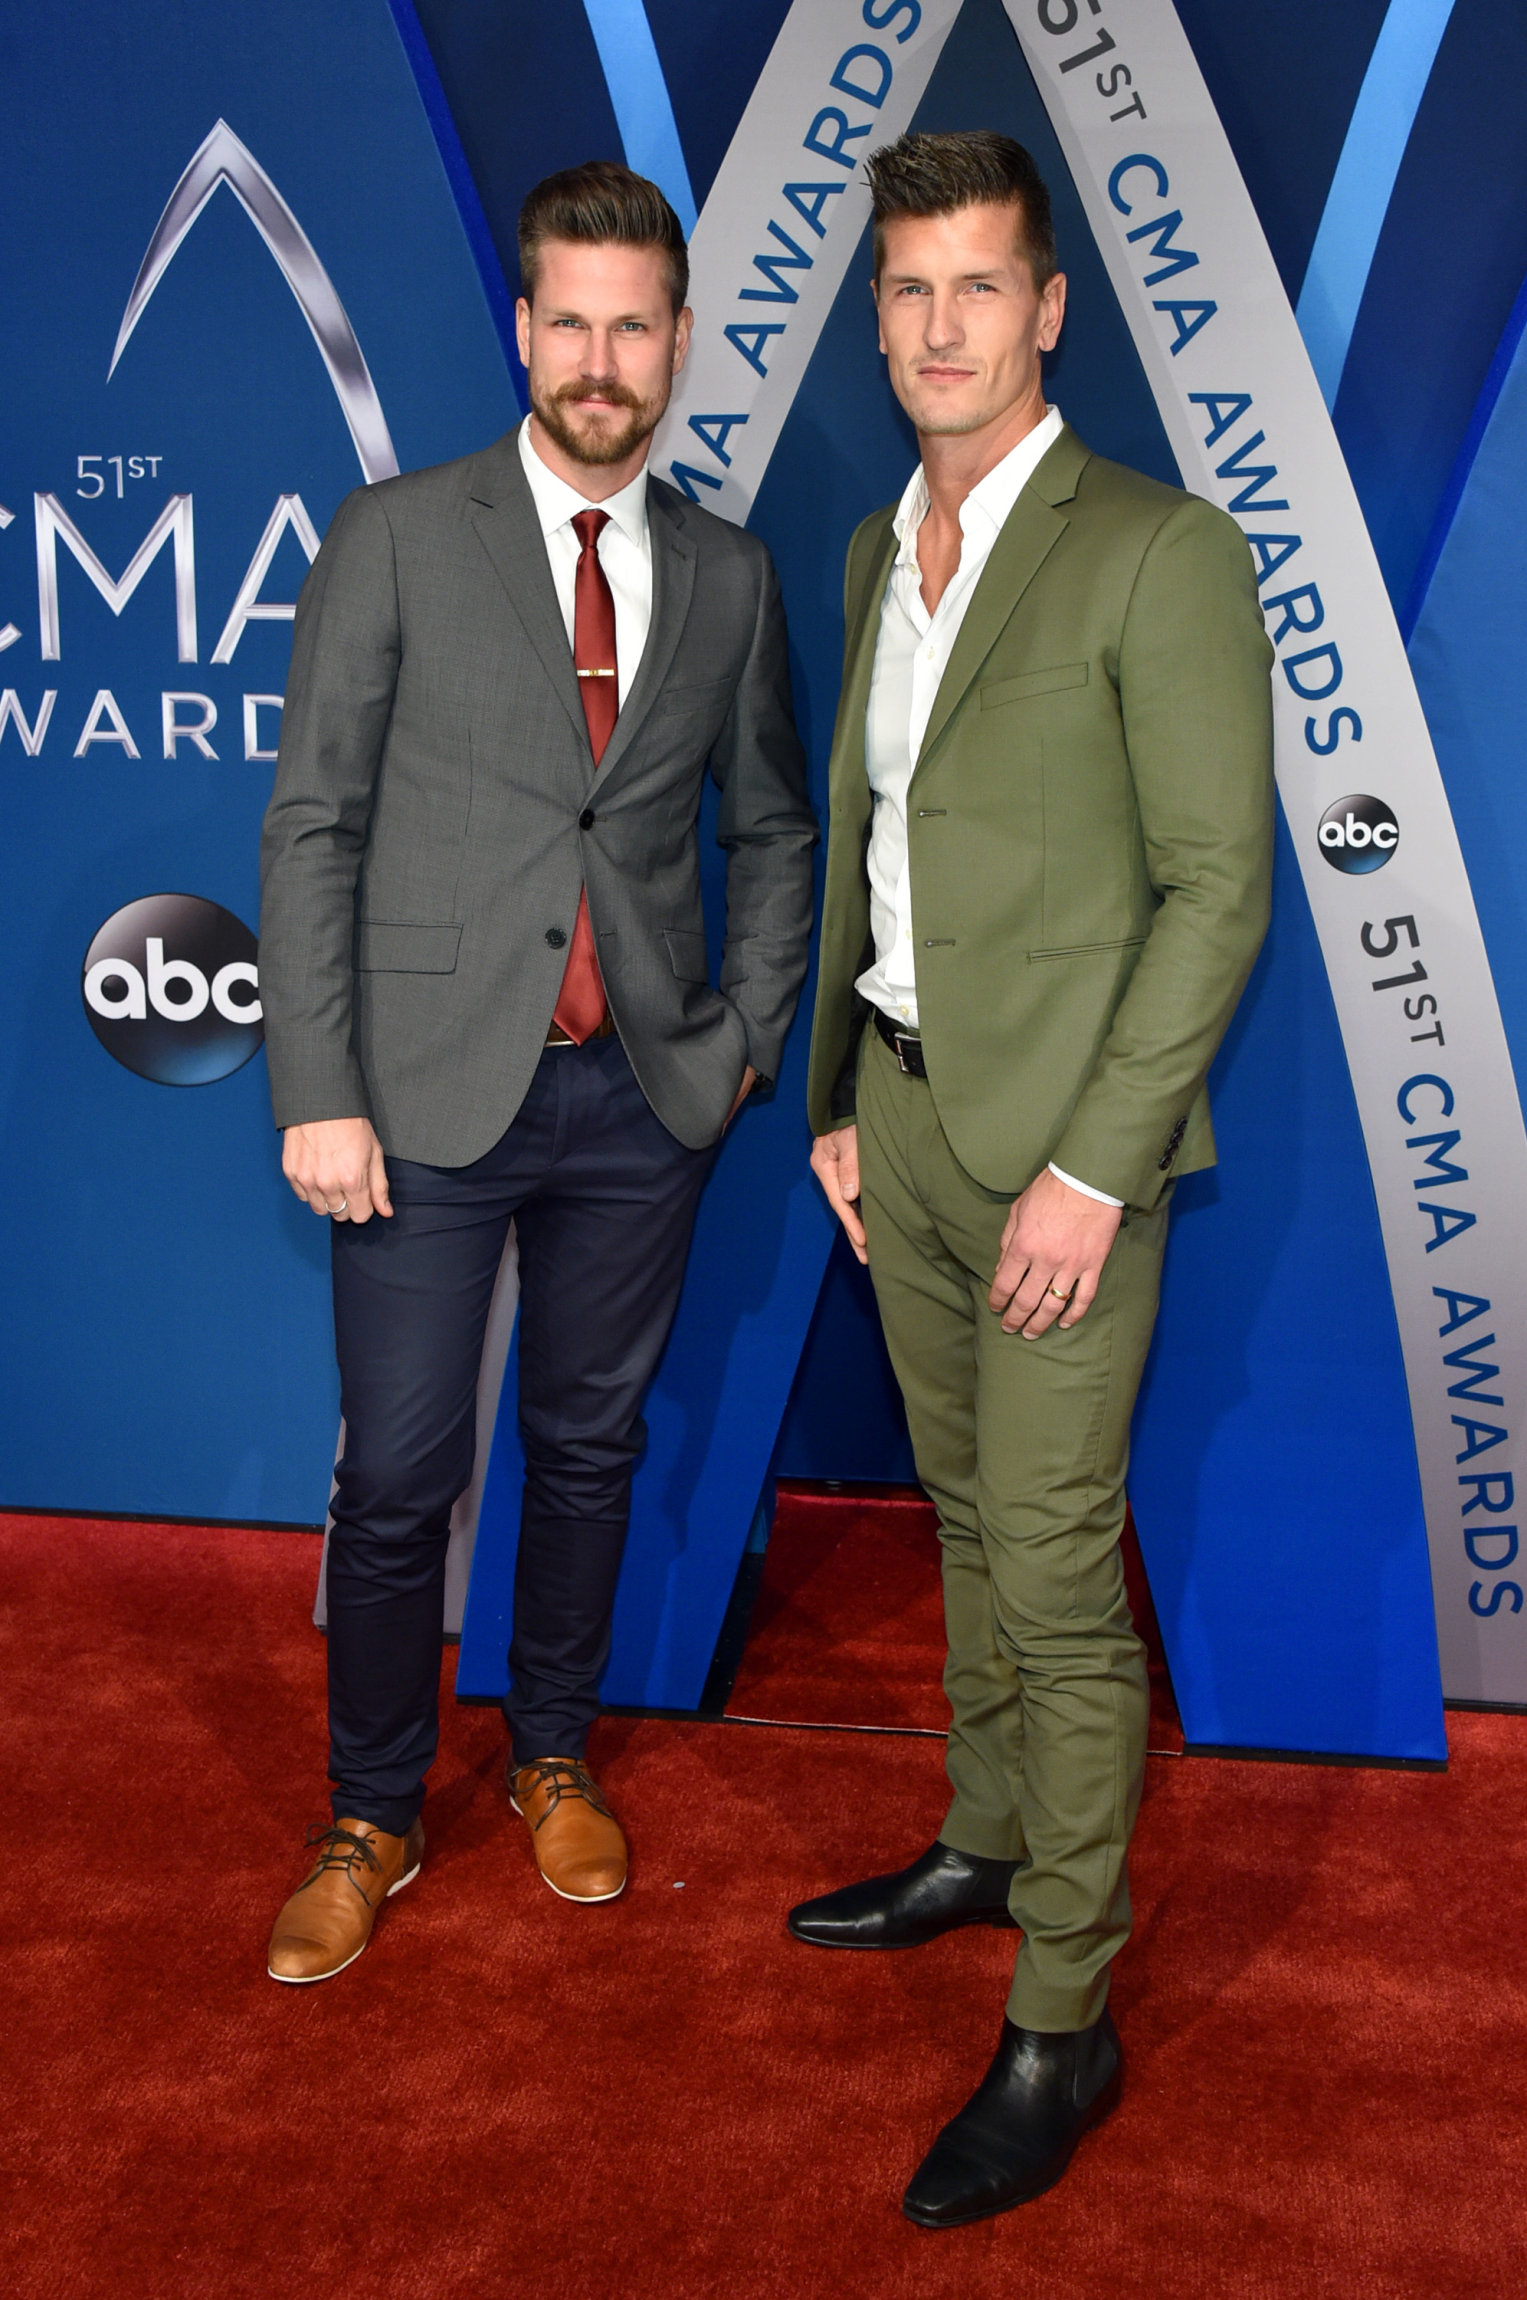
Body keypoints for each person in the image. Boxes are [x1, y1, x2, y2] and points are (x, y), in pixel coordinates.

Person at [259, 160, 815, 1984]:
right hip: (416, 1093)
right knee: (400, 1473)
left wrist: (733, 1047)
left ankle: (553, 1752)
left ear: (673, 342)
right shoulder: (399, 536)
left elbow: (779, 830)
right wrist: (315, 1088)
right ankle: (371, 1808)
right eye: (567, 320)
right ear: (523, 329)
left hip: (638, 1099)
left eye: (632, 324)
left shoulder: (730, 574)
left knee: (587, 1449)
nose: (599, 357)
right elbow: (318, 823)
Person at [793, 131, 1274, 2226]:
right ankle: (981, 1839)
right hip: (895, 1120)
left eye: (972, 286)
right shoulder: (865, 544)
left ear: (1045, 305)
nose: (931, 326)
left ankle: (1060, 2011)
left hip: (1064, 1159)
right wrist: (837, 1087)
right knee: (965, 1519)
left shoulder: (1158, 552)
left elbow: (1215, 889)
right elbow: (868, 835)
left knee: (1057, 1565)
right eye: (902, 288)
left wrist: (1094, 1163)